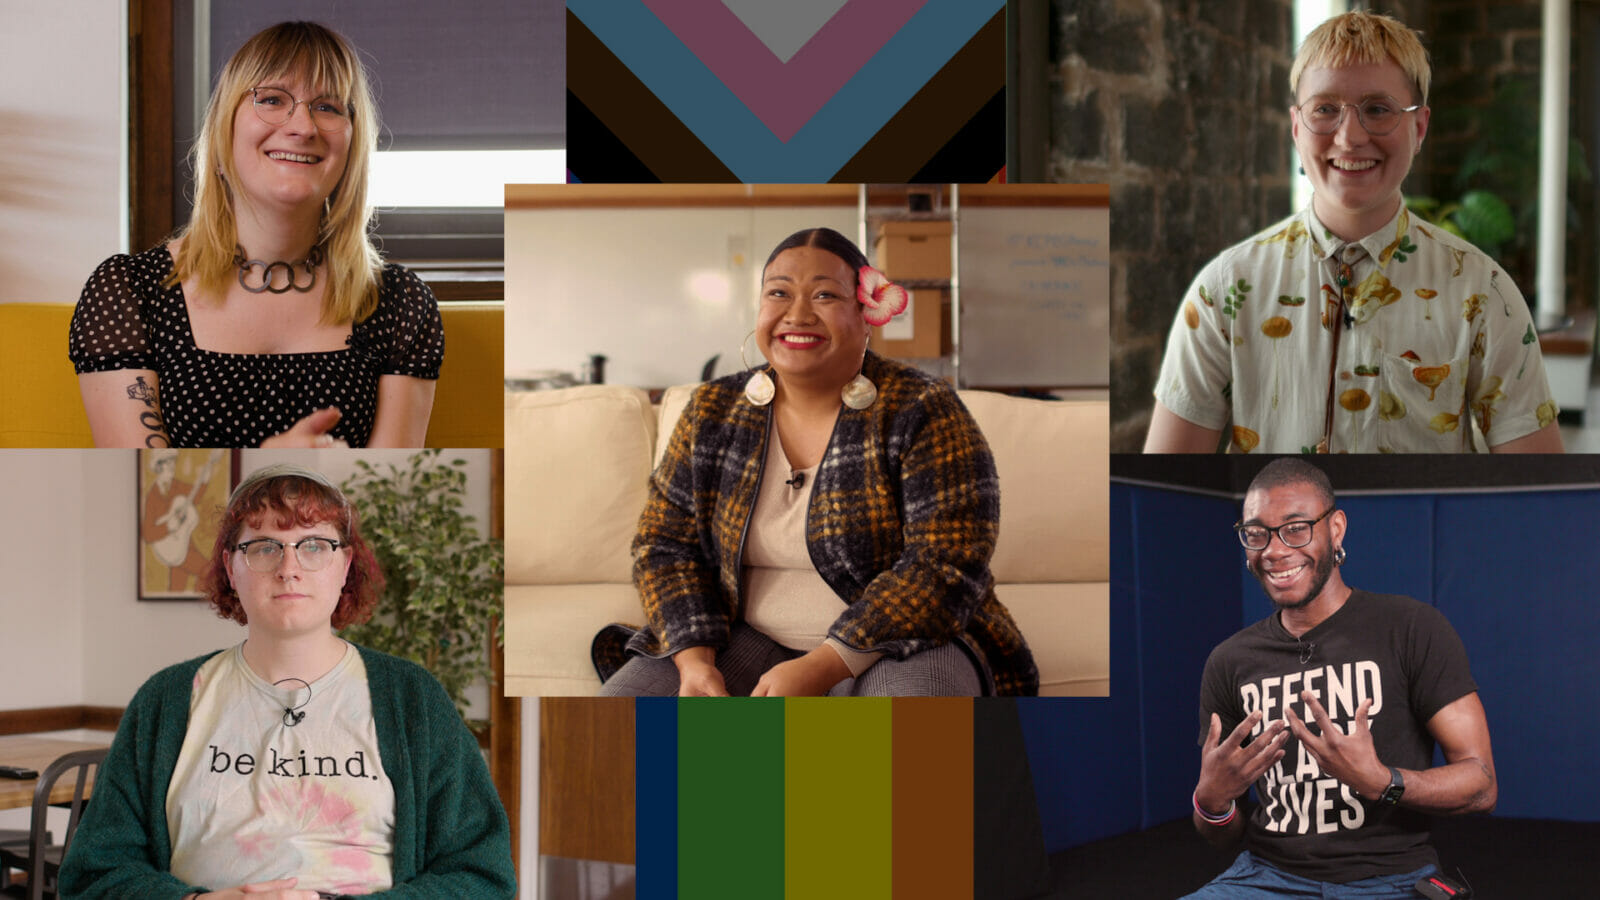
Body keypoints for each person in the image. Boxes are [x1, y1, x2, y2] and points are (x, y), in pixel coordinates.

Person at [591, 227, 1037, 697]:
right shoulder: (712, 411)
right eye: (778, 293)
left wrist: (827, 664)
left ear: (868, 316)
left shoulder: (922, 408)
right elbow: (665, 546)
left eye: (825, 294)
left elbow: (947, 561)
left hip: (903, 642)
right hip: (740, 636)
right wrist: (695, 662)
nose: (797, 313)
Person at [60, 464, 515, 899]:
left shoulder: (412, 697)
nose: (289, 567)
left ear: (344, 566)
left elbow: (480, 873)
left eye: (314, 545)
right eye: (263, 547)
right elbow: (94, 874)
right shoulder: (166, 700)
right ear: (231, 568)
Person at [1146, 11, 1561, 453]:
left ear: (1419, 128)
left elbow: (1537, 484)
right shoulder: (1226, 291)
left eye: (1378, 110)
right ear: (1295, 128)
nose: (1349, 138)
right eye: (1325, 109)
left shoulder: (1481, 291)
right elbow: (1168, 481)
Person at [70, 22, 442, 448]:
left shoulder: (399, 302)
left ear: (352, 149)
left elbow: (389, 498)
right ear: (224, 136)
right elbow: (143, 500)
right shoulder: (129, 292)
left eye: (328, 107)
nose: (303, 126)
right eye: (271, 99)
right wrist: (263, 464)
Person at [1186, 458, 1495, 898]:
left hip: (1389, 879)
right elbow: (1220, 833)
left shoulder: (1411, 627)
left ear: (1336, 529)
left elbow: (1481, 784)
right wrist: (1212, 803)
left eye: (1296, 528)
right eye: (1256, 534)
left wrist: (1381, 781)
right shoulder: (1229, 660)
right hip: (1264, 878)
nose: (1273, 550)